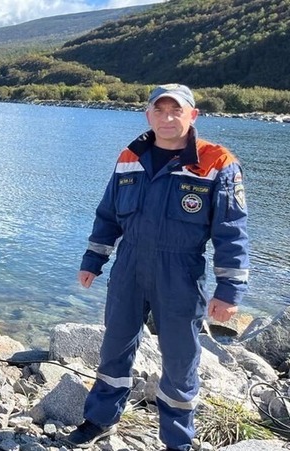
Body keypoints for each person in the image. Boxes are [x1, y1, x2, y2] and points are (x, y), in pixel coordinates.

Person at [67, 84, 249, 451]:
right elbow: (108, 216)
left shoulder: (217, 162)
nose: (167, 118)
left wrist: (229, 291)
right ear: (148, 115)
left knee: (180, 361)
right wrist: (93, 261)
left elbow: (231, 232)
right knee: (114, 348)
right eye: (159, 110)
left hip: (181, 273)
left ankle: (177, 440)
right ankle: (101, 419)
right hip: (129, 267)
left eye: (176, 111)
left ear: (192, 115)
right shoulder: (129, 157)